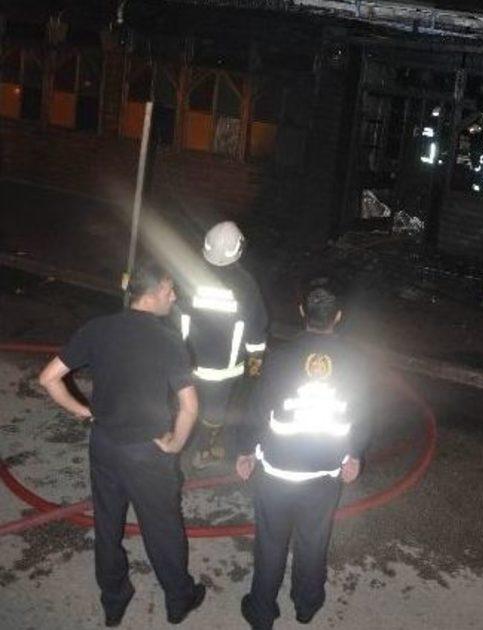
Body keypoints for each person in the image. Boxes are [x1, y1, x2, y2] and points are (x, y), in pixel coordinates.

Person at [38, 263, 206, 627]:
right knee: (162, 527)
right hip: (148, 453)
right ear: (153, 293)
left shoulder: (98, 328)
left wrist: (85, 412)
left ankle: (114, 599)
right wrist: (176, 444)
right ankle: (178, 599)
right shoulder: (167, 340)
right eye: (169, 290)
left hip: (104, 444)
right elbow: (190, 406)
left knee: (108, 524)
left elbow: (49, 378)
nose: (174, 297)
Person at [235, 284, 370, 630]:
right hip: (323, 474)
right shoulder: (355, 362)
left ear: (301, 313)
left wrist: (246, 451)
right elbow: (363, 414)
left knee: (270, 542)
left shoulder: (278, 359)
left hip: (277, 471)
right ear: (338, 318)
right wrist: (353, 455)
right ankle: (306, 605)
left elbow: (255, 410)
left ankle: (262, 611)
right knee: (313, 541)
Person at [180, 220, 268, 468]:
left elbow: (172, 315)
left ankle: (175, 444)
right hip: (223, 371)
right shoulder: (246, 285)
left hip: (185, 362)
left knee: (184, 404)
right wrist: (254, 373)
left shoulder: (186, 273)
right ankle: (203, 452)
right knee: (214, 412)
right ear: (239, 249)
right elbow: (256, 335)